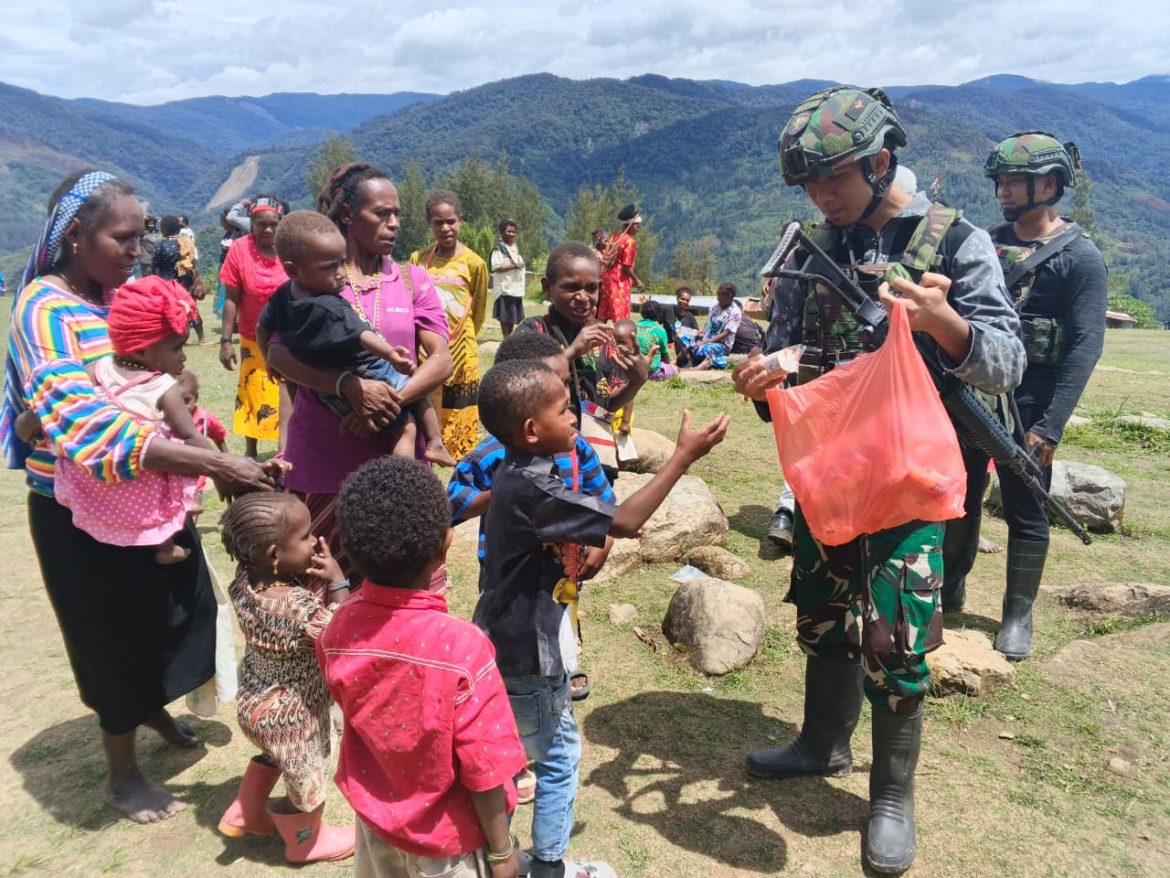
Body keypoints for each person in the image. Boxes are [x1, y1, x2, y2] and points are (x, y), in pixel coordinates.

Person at [733, 87, 1025, 874]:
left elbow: (1006, 359)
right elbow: (786, 342)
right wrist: (768, 374)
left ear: (882, 160)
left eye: (831, 179)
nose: (820, 197)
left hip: (913, 478)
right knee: (824, 616)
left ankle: (891, 796)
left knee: (895, 633)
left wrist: (946, 324)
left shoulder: (955, 243)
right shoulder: (809, 245)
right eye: (808, 185)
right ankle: (822, 742)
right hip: (831, 474)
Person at [1, 169, 276, 824]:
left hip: (154, 500)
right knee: (112, 632)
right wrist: (211, 462)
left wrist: (206, 442)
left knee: (175, 614)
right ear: (75, 235)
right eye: (122, 238)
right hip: (82, 512)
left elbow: (159, 388)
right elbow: (89, 424)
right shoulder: (45, 310)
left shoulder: (117, 302)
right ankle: (121, 773)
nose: (134, 250)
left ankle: (153, 708)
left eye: (139, 235)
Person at [473, 358, 729, 878]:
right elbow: (628, 522)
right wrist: (681, 458)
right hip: (528, 652)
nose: (574, 420)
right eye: (565, 411)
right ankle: (548, 865)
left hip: (503, 639)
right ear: (531, 429)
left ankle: (490, 856)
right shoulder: (533, 488)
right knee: (559, 757)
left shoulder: (526, 473)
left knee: (505, 754)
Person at [319, 456, 528, 878]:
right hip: (448, 848)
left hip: (377, 827)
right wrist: (502, 854)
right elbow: (484, 767)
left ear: (352, 553)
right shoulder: (462, 648)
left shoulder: (339, 628)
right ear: (444, 546)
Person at [941, 132, 1107, 661]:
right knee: (960, 492)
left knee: (1026, 505)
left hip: (1032, 399)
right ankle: (950, 588)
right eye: (1001, 182)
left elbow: (1084, 346)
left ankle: (1017, 614)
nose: (1004, 192)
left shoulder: (1080, 258)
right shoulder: (982, 244)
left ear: (1050, 184)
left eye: (1016, 181)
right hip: (971, 386)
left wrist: (1051, 426)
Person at [265, 163, 453, 581]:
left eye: (398, 214)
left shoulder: (411, 279)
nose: (394, 224)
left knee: (403, 595)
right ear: (348, 215)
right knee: (326, 594)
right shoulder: (317, 276)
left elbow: (442, 360)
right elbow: (278, 356)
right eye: (381, 214)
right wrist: (345, 385)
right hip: (323, 462)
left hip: (397, 469)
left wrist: (390, 402)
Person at [447, 330, 615, 708]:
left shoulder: (576, 446)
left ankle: (565, 666)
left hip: (566, 561)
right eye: (552, 395)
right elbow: (453, 503)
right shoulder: (489, 455)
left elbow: (601, 495)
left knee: (562, 610)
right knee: (512, 622)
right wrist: (504, 496)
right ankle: (507, 678)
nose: (569, 413)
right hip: (507, 568)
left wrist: (603, 542)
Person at [217, 492, 355, 863]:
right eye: (307, 536)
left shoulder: (244, 581)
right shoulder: (298, 606)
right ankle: (307, 841)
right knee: (307, 775)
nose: (315, 542)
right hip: (293, 716)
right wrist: (338, 582)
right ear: (275, 556)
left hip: (255, 703)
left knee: (275, 755)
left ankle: (244, 813)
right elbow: (339, 631)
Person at [257, 210, 453, 466]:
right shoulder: (332, 304)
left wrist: (267, 361)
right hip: (369, 369)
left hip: (330, 395)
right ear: (350, 217)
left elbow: (262, 327)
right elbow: (363, 335)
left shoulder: (284, 295)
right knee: (407, 424)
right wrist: (390, 354)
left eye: (341, 262)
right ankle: (412, 464)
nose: (340, 273)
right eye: (381, 213)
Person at [41, 277, 207, 567]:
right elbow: (190, 435)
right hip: (144, 490)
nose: (182, 357)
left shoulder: (96, 368)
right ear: (141, 351)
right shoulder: (164, 387)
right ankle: (163, 545)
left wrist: (29, 421)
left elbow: (59, 398)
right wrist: (217, 465)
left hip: (97, 489)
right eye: (176, 349)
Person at [516, 242, 648, 481]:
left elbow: (607, 405)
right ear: (547, 288)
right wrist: (572, 352)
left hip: (592, 457)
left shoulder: (603, 339)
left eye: (591, 288)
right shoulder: (533, 331)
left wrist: (636, 382)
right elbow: (518, 386)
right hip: (544, 459)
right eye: (571, 287)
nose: (583, 297)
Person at [409, 190, 489, 460]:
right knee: (424, 409)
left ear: (461, 221)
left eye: (451, 221)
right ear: (428, 223)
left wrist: (459, 340)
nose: (446, 228)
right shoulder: (417, 261)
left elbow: (477, 312)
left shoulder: (474, 263)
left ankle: (461, 471)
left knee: (459, 418)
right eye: (438, 222)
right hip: (425, 354)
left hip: (462, 353)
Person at [219, 195, 290, 459]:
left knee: (289, 391)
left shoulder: (291, 248)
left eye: (273, 224)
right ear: (251, 223)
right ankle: (251, 451)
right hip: (251, 336)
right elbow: (231, 298)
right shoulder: (239, 249)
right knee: (254, 391)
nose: (268, 229)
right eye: (261, 224)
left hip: (288, 338)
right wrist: (225, 341)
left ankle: (286, 449)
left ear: (281, 224)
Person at [177, 370, 228, 518]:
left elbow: (219, 436)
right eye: (177, 402)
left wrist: (226, 458)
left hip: (197, 470)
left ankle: (193, 527)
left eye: (186, 401)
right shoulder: (167, 420)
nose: (182, 407)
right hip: (175, 470)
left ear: (196, 397)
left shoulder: (205, 419)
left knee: (195, 497)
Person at [151, 214, 207, 344]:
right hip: (185, 283)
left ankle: (172, 336)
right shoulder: (187, 244)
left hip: (167, 283)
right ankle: (201, 338)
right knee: (190, 308)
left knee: (169, 310)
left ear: (164, 229)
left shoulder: (161, 245)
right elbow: (192, 263)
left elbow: (155, 266)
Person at [679, 282, 742, 370]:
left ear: (729, 297)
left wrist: (704, 342)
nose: (717, 298)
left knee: (702, 349)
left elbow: (725, 333)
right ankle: (690, 360)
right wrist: (702, 330)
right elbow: (709, 323)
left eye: (720, 296)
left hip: (721, 345)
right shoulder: (715, 306)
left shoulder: (735, 312)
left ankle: (695, 362)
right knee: (682, 337)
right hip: (706, 338)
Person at [598, 204, 644, 322]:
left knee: (603, 313)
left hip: (606, 279)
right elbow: (626, 267)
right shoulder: (629, 241)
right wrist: (637, 281)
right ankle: (620, 340)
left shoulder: (614, 237)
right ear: (631, 225)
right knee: (620, 317)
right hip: (619, 282)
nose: (638, 229)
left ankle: (597, 338)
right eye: (637, 226)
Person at [490, 217, 526, 337]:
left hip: (516, 288)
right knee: (505, 316)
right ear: (502, 231)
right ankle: (505, 337)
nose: (511, 234)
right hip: (505, 288)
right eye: (508, 231)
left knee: (512, 316)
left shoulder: (515, 248)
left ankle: (509, 336)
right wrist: (514, 265)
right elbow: (496, 266)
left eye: (513, 231)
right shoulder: (499, 249)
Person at [635, 301, 677, 380]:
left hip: (634, 369)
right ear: (659, 314)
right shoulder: (660, 330)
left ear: (642, 312)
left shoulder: (634, 326)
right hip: (652, 371)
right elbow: (664, 355)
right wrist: (669, 366)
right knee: (675, 369)